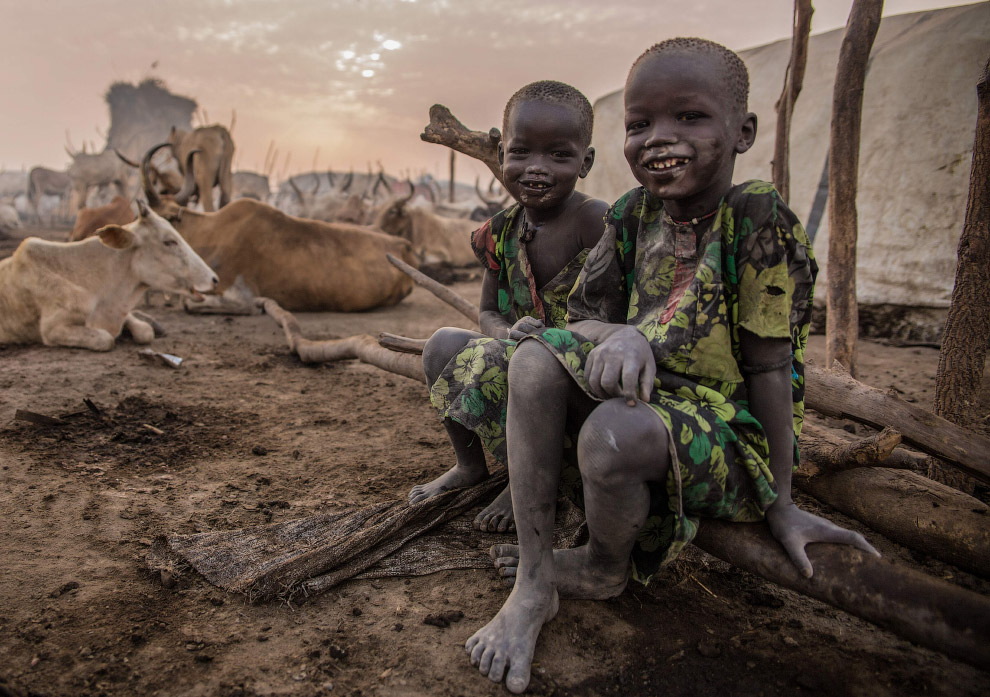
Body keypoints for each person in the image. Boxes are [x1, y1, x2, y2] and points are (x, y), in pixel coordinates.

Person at [463, 38, 880, 694]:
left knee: (611, 434)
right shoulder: (631, 216)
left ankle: (603, 566)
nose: (661, 138)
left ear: (741, 132)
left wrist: (782, 503)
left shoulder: (755, 218)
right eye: (640, 124)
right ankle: (534, 582)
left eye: (689, 118)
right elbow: (578, 323)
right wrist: (624, 335)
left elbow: (771, 371)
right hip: (645, 399)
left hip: (728, 428)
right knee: (534, 358)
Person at [408, 80, 608, 532]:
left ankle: (529, 479)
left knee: (534, 368)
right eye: (521, 153)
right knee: (442, 345)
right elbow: (487, 313)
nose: (536, 169)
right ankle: (470, 465)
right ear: (501, 155)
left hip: (582, 374)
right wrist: (506, 335)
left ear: (585, 162)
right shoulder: (499, 231)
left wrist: (548, 347)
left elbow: (619, 317)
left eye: (558, 155)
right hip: (521, 352)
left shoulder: (594, 223)